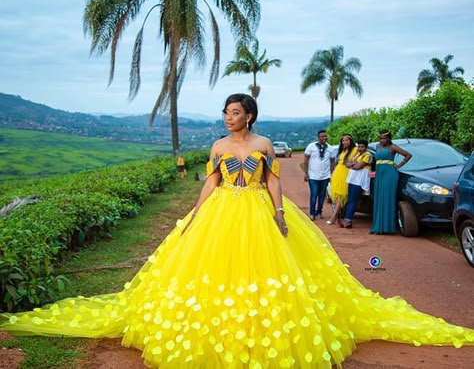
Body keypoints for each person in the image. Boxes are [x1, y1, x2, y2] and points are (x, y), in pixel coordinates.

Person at [1, 95, 472, 368]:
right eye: (225, 112)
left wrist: (281, 214)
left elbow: (270, 180)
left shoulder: (264, 144)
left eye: (234, 111)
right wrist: (196, 213)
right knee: (211, 270)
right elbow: (211, 179)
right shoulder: (218, 146)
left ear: (249, 114)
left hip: (256, 212)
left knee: (266, 271)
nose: (228, 117)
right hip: (224, 209)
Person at [370, 129, 412, 234]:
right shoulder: (377, 147)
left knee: (387, 198)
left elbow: (408, 155)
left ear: (389, 138)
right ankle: (377, 227)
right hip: (379, 174)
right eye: (380, 138)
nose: (382, 140)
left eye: (384, 138)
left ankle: (386, 228)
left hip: (390, 174)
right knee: (379, 199)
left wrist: (398, 165)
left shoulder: (393, 147)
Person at [303, 130, 335, 220]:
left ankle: (319, 212)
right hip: (313, 176)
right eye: (322, 136)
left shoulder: (330, 148)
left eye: (325, 136)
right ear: (318, 137)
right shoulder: (311, 146)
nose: (324, 138)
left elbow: (333, 161)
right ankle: (312, 213)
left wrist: (330, 172)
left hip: (325, 176)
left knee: (322, 195)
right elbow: (305, 160)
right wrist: (306, 173)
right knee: (314, 194)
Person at [339, 139, 372, 229]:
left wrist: (353, 164)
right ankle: (347, 219)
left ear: (366, 147)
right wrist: (354, 164)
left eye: (362, 147)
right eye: (359, 146)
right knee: (351, 200)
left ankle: (348, 220)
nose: (360, 148)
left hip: (359, 179)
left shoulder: (367, 155)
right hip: (353, 178)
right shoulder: (358, 154)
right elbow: (348, 164)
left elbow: (357, 167)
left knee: (353, 200)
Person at [326, 134, 357, 224]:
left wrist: (352, 163)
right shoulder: (342, 150)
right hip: (338, 173)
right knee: (336, 195)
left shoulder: (355, 150)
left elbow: (358, 159)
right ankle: (337, 215)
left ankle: (334, 216)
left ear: (351, 141)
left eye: (347, 140)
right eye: (343, 141)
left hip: (347, 173)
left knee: (341, 195)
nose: (345, 142)